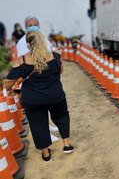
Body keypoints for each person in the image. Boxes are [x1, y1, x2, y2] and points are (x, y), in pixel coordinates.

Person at [3, 31, 74, 161]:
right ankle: (67, 145)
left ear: (28, 44)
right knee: (62, 116)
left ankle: (46, 154)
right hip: (55, 95)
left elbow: (8, 81)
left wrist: (8, 90)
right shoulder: (54, 56)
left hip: (33, 99)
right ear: (42, 42)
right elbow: (61, 71)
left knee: (37, 124)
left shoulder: (22, 60)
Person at [16, 16, 59, 143]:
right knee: (38, 109)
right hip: (34, 80)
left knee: (45, 104)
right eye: (30, 25)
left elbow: (49, 52)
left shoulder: (42, 38)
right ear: (26, 27)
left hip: (46, 78)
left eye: (35, 24)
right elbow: (25, 63)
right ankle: (45, 135)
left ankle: (47, 127)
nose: (33, 26)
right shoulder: (23, 42)